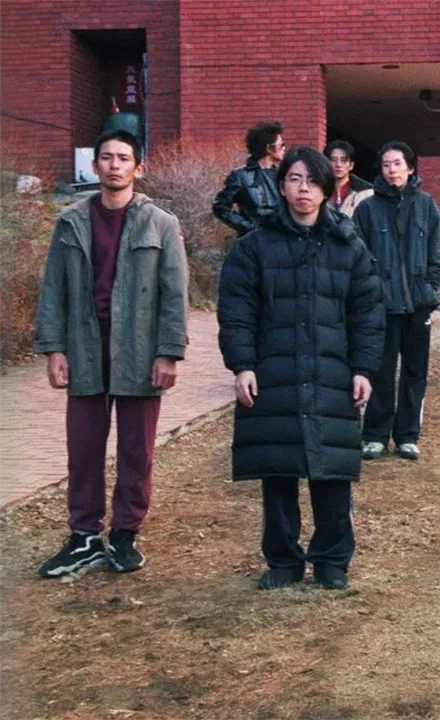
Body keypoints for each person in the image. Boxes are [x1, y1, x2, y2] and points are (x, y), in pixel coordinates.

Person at [217, 146, 385, 591]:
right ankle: (283, 560)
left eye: (312, 181)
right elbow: (237, 310)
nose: (303, 189)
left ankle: (332, 559)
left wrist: (363, 368)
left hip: (332, 371)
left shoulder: (348, 245)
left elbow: (368, 312)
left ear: (327, 188)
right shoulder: (254, 246)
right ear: (282, 186)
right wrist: (242, 364)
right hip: (274, 370)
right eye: (294, 179)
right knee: (278, 469)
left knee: (332, 469)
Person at [34, 129, 189, 577]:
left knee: (136, 449)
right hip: (85, 347)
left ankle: (124, 533)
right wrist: (54, 348)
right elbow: (53, 289)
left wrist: (169, 352)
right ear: (95, 165)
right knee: (83, 447)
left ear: (139, 167)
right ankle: (84, 535)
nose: (115, 165)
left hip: (140, 349)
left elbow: (174, 295)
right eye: (107, 157)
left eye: (123, 158)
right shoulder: (70, 221)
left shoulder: (160, 224)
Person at [353, 141, 440, 461]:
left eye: (397, 164)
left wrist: (431, 286)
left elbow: (438, 249)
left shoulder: (426, 204)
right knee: (381, 370)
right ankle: (375, 435)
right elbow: (358, 254)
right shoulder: (367, 209)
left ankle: (408, 435)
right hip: (382, 305)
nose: (392, 170)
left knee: (415, 371)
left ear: (410, 167)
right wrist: (370, 290)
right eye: (386, 165)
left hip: (418, 304)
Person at [213, 120, 285, 235]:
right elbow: (220, 206)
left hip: (283, 239)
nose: (284, 148)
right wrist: (247, 227)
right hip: (255, 241)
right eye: (281, 145)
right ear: (269, 148)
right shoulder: (241, 176)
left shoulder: (284, 175)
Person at [324, 140, 374, 216]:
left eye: (343, 160)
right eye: (333, 160)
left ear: (351, 165)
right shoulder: (319, 191)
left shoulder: (366, 193)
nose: (338, 165)